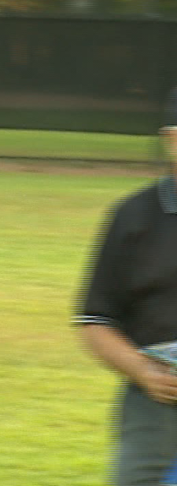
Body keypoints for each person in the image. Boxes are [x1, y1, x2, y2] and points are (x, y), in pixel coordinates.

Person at [73, 86, 177, 486]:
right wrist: (143, 371)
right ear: (170, 140)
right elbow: (94, 319)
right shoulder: (135, 217)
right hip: (157, 403)